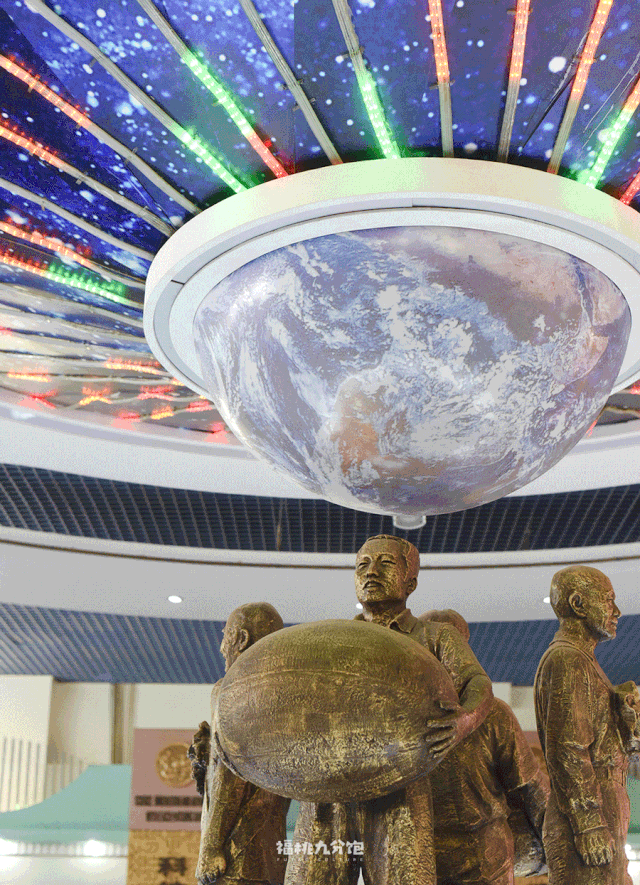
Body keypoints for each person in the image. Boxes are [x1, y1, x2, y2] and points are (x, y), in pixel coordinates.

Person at [287, 534, 494, 885]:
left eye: (385, 563)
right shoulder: (333, 640)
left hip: (401, 783)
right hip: (331, 785)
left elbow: (477, 683)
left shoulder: (435, 636)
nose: (371, 572)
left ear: (410, 582)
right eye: (362, 565)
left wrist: (464, 720)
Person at [420, 609, 549, 885]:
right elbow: (532, 789)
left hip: (478, 855)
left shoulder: (493, 714)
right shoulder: (493, 713)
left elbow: (531, 788)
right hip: (430, 855)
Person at [534, 565, 640, 885]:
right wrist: (588, 823)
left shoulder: (583, 660)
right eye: (608, 600)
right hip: (588, 814)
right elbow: (568, 749)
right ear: (578, 604)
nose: (616, 611)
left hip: (604, 802)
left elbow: (596, 743)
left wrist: (625, 722)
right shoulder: (567, 660)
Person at [191, 602, 291, 885]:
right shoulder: (285, 696)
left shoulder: (232, 688)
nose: (222, 646)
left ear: (242, 639)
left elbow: (230, 772)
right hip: (269, 850)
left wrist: (211, 845)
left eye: (226, 635)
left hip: (234, 852)